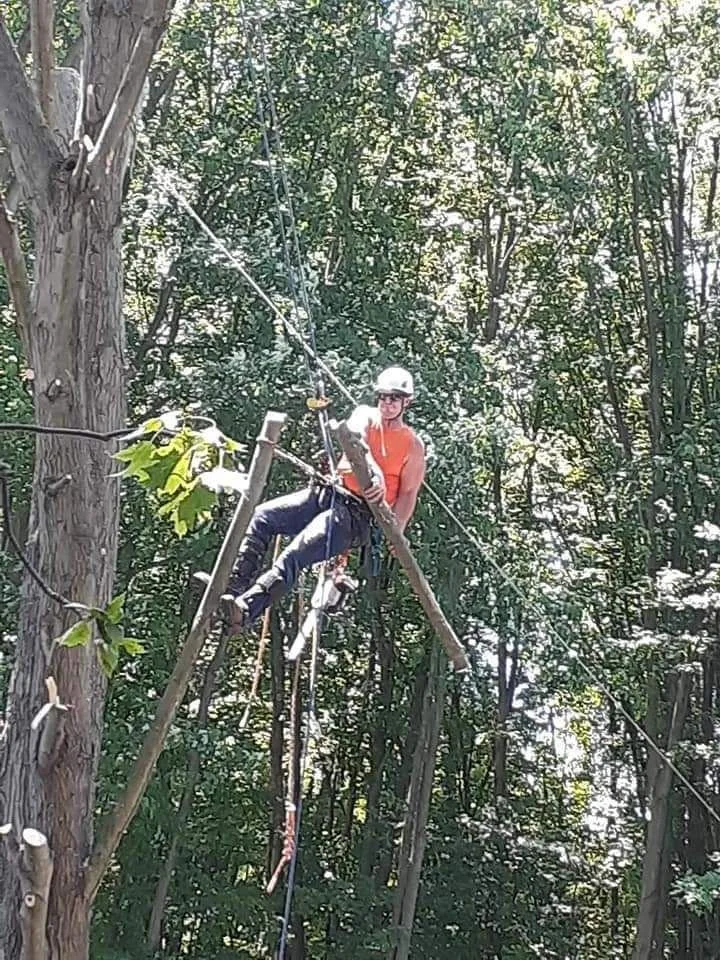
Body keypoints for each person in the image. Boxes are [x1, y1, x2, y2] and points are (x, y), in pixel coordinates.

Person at [222, 366, 426, 632]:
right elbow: (355, 438)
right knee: (263, 516)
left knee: (296, 553)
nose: (387, 404)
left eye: (394, 399)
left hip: (355, 517)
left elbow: (409, 493)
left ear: (406, 402)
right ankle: (233, 587)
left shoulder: (412, 445)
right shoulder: (364, 415)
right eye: (384, 397)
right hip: (327, 494)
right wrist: (374, 474)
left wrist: (395, 532)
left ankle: (246, 611)